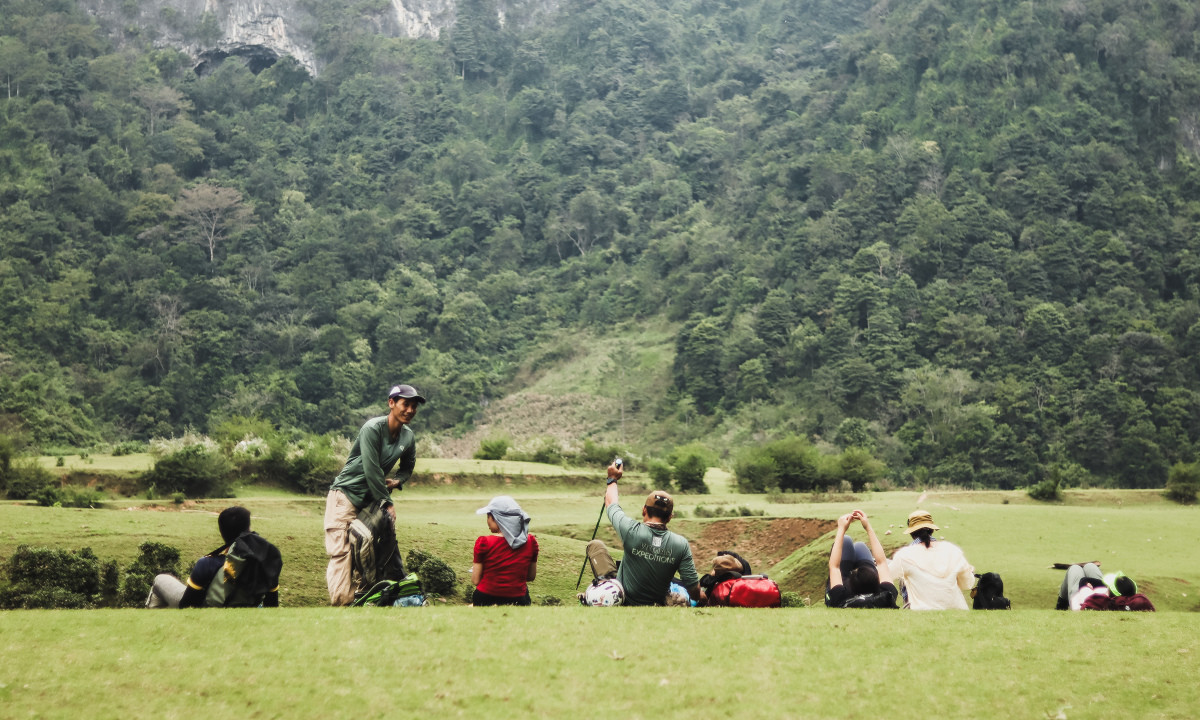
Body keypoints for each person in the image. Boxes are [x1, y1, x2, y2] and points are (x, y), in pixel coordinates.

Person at [324, 383, 425, 606]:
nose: (410, 410)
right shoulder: (373, 428)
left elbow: (408, 466)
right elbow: (372, 470)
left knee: (367, 546)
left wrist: (398, 480)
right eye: (405, 404)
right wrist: (387, 503)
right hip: (345, 496)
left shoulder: (408, 437)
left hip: (370, 500)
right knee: (342, 553)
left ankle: (364, 597)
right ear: (391, 403)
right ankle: (342, 606)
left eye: (414, 406)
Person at [584, 461, 701, 606]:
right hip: (657, 603)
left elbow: (611, 502)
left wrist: (612, 479)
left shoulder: (630, 529)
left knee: (595, 545)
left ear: (644, 510)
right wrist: (704, 597)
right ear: (670, 517)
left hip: (625, 601)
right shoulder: (681, 544)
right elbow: (694, 590)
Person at [146, 506, 282, 608]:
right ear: (248, 529)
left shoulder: (208, 564)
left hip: (208, 610)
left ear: (222, 533)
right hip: (245, 611)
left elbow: (186, 605)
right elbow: (272, 605)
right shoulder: (265, 562)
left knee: (160, 579)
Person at [888, 509, 974, 610]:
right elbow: (967, 584)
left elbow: (886, 577)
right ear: (932, 529)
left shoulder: (904, 555)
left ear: (911, 532)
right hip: (957, 610)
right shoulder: (952, 549)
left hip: (921, 612)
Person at [471, 495, 538, 606]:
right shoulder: (531, 542)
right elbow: (530, 577)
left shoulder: (484, 542)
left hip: (485, 598)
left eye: (488, 517)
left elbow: (475, 580)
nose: (487, 521)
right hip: (519, 599)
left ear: (496, 518)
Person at [825, 510, 898, 608]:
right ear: (876, 581)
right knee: (860, 546)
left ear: (850, 585)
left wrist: (841, 529)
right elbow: (881, 563)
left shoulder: (839, 597)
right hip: (864, 590)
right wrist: (868, 527)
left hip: (844, 593)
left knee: (846, 540)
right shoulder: (886, 596)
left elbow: (834, 566)